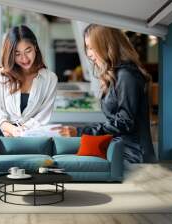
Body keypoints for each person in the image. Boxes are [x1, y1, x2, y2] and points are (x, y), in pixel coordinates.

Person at [55, 24, 156, 163]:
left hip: (134, 157)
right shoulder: (116, 74)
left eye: (91, 47)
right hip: (121, 150)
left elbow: (124, 122)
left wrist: (80, 132)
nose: (89, 54)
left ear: (106, 45)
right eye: (87, 48)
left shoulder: (127, 75)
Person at [0, 25, 58, 137]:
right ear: (10, 54)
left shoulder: (50, 79)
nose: (24, 59)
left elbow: (43, 116)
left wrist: (22, 130)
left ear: (35, 47)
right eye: (17, 54)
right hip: (5, 138)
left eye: (28, 51)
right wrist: (13, 130)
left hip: (34, 139)